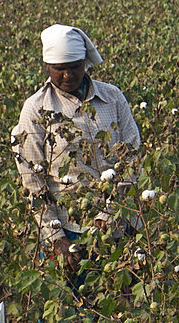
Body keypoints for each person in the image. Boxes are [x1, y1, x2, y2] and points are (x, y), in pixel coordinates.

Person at [12, 24, 140, 271]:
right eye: (59, 69)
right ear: (48, 68)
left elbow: (132, 158)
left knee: (120, 301)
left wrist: (108, 215)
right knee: (69, 304)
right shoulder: (35, 108)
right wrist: (55, 238)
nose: (68, 75)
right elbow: (33, 180)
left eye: (74, 67)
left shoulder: (112, 98)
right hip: (67, 232)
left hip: (118, 223)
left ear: (85, 63)